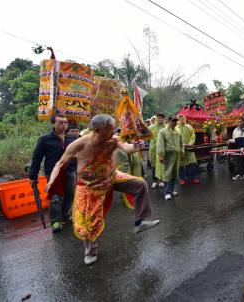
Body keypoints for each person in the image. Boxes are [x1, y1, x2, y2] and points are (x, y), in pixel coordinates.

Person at [45, 114, 160, 265]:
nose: (114, 132)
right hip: (89, 186)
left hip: (111, 176)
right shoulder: (79, 144)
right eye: (110, 129)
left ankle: (140, 221)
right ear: (98, 130)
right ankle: (90, 252)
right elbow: (60, 164)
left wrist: (135, 147)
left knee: (140, 184)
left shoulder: (113, 139)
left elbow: (127, 148)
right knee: (89, 223)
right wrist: (52, 180)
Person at [29, 114, 77, 233]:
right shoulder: (45, 139)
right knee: (56, 197)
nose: (64, 124)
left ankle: (65, 215)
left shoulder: (72, 138)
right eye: (60, 122)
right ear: (53, 124)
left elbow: (79, 154)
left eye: (65, 122)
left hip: (70, 170)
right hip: (53, 172)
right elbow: (36, 158)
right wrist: (32, 176)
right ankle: (56, 221)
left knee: (70, 195)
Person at [156, 116, 183, 200]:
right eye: (173, 121)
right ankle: (167, 192)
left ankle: (172, 190)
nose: (174, 122)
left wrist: (182, 153)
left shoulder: (178, 131)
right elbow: (160, 143)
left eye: (175, 121)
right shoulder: (162, 132)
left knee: (174, 173)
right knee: (167, 173)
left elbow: (181, 143)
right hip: (168, 156)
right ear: (168, 121)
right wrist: (161, 155)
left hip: (176, 156)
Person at [176, 115, 200, 185]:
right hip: (180, 149)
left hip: (189, 148)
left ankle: (193, 178)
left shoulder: (189, 127)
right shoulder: (176, 128)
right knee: (180, 165)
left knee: (191, 164)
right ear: (178, 119)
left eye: (183, 118)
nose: (181, 119)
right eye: (180, 118)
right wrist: (180, 145)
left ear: (185, 119)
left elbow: (193, 136)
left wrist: (190, 143)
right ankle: (182, 179)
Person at [148, 113, 166, 189]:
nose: (160, 119)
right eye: (158, 118)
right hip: (153, 149)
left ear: (164, 119)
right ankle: (155, 181)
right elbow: (147, 137)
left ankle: (162, 181)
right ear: (156, 119)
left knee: (162, 165)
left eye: (161, 118)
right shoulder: (151, 127)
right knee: (153, 166)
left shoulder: (166, 127)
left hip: (162, 150)